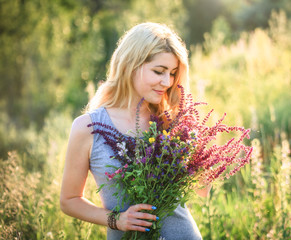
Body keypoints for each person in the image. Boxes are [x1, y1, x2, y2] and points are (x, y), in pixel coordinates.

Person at [60, 22, 208, 240]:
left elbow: (201, 192)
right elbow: (69, 200)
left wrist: (202, 161)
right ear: (130, 65)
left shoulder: (172, 122)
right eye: (159, 71)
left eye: (173, 73)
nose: (167, 82)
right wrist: (117, 220)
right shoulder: (88, 128)